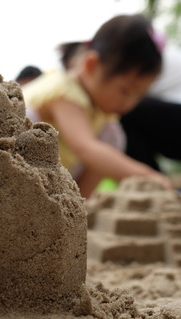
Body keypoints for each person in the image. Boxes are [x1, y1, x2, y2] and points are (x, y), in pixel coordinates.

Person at [21, 14, 170, 198]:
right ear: (91, 66)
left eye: (139, 96)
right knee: (102, 147)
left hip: (42, 183)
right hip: (8, 166)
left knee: (112, 138)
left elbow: (96, 162)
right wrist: (148, 175)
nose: (130, 103)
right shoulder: (64, 90)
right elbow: (86, 148)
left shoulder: (105, 125)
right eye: (124, 91)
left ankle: (69, 208)